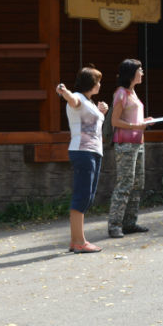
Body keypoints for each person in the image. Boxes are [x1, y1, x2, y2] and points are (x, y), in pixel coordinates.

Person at [56, 65, 108, 254]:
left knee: (88, 196)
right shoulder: (78, 97)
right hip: (83, 152)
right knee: (82, 195)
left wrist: (101, 113)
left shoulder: (90, 102)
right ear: (91, 83)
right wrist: (64, 90)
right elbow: (71, 99)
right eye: (98, 81)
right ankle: (79, 241)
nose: (100, 85)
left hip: (93, 152)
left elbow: (93, 125)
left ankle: (75, 240)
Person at [108, 58, 155, 238]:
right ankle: (114, 225)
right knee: (125, 183)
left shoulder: (133, 92)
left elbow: (133, 119)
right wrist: (137, 126)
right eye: (140, 70)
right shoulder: (121, 93)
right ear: (131, 73)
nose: (142, 73)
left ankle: (129, 223)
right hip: (125, 145)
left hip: (138, 143)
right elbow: (115, 121)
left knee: (137, 184)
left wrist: (144, 122)